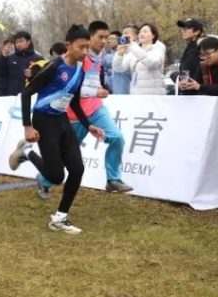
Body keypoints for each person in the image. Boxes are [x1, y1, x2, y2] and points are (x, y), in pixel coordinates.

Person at [8, 25, 106, 234]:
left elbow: (74, 102)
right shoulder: (54, 66)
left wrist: (88, 125)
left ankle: (60, 218)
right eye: (81, 47)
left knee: (77, 169)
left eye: (87, 47)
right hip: (44, 121)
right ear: (68, 46)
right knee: (55, 176)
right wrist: (27, 126)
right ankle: (27, 152)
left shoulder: (80, 70)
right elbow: (26, 94)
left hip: (62, 120)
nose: (85, 51)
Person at [34, 21, 131, 199]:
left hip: (96, 109)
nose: (104, 41)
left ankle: (113, 179)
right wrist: (95, 92)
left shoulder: (100, 55)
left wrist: (99, 88)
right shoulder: (76, 58)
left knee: (117, 138)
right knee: (64, 159)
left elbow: (96, 77)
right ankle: (44, 180)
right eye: (100, 37)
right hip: (75, 115)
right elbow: (71, 90)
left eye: (106, 37)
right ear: (89, 37)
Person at [117, 23, 167, 95]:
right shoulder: (135, 49)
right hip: (137, 94)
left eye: (145, 32)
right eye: (140, 32)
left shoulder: (158, 47)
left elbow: (152, 63)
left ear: (153, 35)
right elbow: (119, 68)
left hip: (154, 94)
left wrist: (132, 46)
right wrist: (119, 54)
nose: (141, 34)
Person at [0, 31, 43, 96]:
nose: (18, 44)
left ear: (28, 42)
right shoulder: (10, 58)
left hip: (31, 96)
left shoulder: (38, 58)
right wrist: (3, 58)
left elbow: (43, 77)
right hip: (12, 95)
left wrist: (33, 73)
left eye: (21, 41)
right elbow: (0, 74)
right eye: (17, 42)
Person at [175, 18, 206, 94]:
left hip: (197, 93)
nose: (183, 31)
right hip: (190, 91)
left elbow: (190, 70)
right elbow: (186, 71)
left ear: (197, 31)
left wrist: (174, 76)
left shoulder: (200, 48)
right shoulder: (191, 47)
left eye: (187, 28)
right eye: (183, 28)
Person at [110, 25, 138, 95]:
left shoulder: (136, 52)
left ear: (135, 36)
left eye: (126, 33)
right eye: (123, 34)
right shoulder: (122, 50)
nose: (123, 36)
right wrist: (119, 53)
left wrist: (120, 54)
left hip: (127, 92)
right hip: (117, 91)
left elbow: (119, 68)